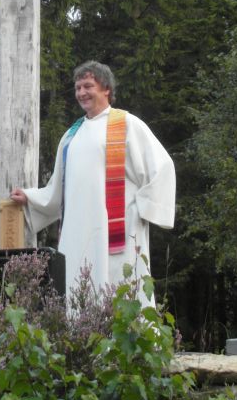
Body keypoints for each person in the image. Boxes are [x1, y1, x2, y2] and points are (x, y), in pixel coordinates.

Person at [10, 61, 175, 306]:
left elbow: (162, 167)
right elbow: (59, 189)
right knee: (80, 287)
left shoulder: (127, 124)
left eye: (88, 86)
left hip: (119, 228)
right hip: (79, 230)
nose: (81, 93)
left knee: (122, 288)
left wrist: (141, 209)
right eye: (77, 87)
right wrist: (31, 198)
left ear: (106, 89)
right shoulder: (71, 136)